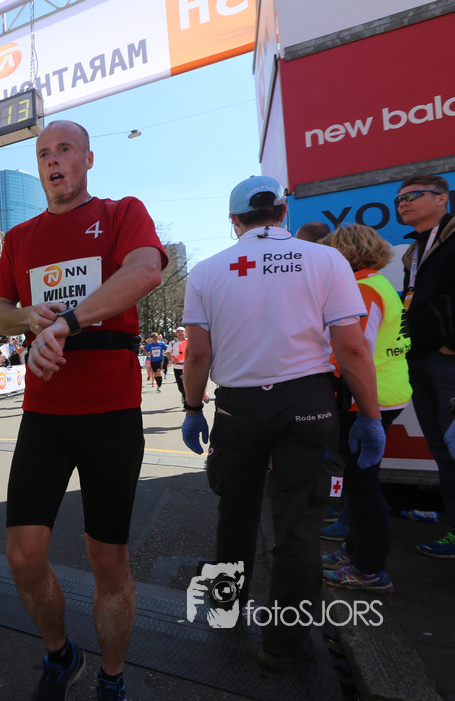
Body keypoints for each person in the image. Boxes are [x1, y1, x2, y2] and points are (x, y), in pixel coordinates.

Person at [0, 120, 167, 701]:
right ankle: (61, 655)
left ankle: (112, 681)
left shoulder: (121, 213)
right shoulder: (19, 237)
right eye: (43, 153)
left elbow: (145, 272)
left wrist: (67, 321)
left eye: (64, 149)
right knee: (22, 555)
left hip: (110, 411)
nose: (52, 160)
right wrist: (27, 319)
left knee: (107, 560)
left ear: (88, 158)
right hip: (44, 413)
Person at [179, 175, 385, 672]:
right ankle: (286, 646)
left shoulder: (207, 271)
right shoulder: (326, 261)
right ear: (283, 211)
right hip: (307, 401)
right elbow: (352, 347)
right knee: (299, 524)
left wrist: (191, 408)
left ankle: (225, 611)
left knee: (235, 513)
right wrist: (371, 416)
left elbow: (198, 354)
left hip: (239, 407)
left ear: (234, 221)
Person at [315, 224, 410, 593]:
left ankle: (369, 568)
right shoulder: (376, 283)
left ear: (343, 254)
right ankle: (355, 552)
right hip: (384, 392)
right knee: (359, 483)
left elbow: (355, 351)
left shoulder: (360, 289)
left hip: (365, 400)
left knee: (362, 484)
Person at [395, 175, 455, 557]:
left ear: (442, 199)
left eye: (413, 195)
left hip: (447, 359)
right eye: (399, 199)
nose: (403, 203)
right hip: (419, 357)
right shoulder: (414, 250)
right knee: (442, 448)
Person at [166, 327, 188, 401]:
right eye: (178, 332)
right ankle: (184, 396)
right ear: (176, 334)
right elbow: (168, 353)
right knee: (180, 386)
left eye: (182, 332)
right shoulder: (173, 343)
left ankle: (187, 401)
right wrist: (171, 358)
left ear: (185, 333)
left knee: (187, 385)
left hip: (188, 366)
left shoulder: (190, 341)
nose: (180, 333)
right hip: (177, 366)